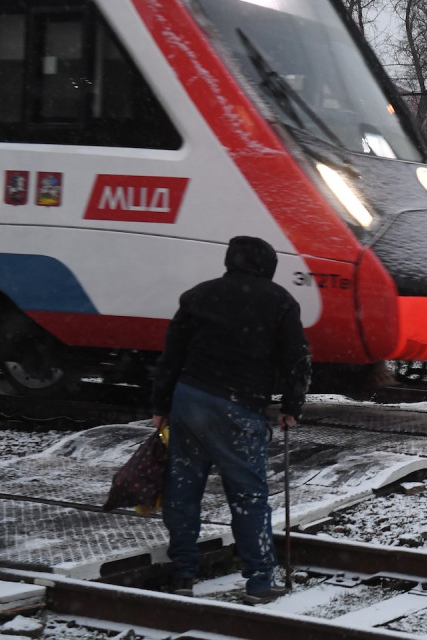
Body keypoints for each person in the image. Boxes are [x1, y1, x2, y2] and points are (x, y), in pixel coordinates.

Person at [151, 236, 311, 604]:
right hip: (239, 407)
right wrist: (292, 405)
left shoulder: (199, 295)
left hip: (190, 400)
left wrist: (161, 404)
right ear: (267, 266)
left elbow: (171, 355)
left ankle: (183, 575)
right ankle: (258, 582)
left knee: (183, 489)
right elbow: (296, 359)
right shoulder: (279, 301)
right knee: (248, 496)